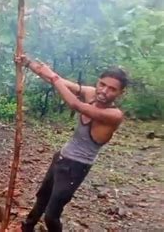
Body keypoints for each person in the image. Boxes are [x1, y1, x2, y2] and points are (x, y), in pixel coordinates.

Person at [17, 54, 128, 232]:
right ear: (98, 82)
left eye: (112, 89)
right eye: (102, 85)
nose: (104, 91)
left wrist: (53, 76)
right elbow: (59, 81)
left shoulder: (114, 115)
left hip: (76, 168)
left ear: (120, 93)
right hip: (61, 157)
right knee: (42, 197)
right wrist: (29, 63)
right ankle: (27, 227)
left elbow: (75, 104)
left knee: (52, 215)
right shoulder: (91, 92)